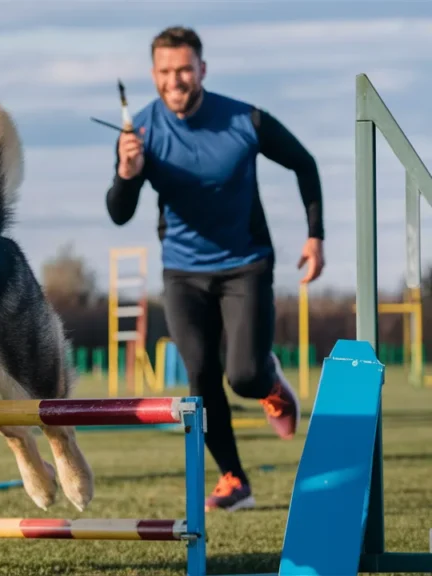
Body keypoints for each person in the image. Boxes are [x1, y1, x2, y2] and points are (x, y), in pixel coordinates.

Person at [104, 26, 325, 512]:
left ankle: (269, 382)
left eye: (184, 69)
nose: (175, 80)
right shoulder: (139, 131)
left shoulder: (244, 119)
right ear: (153, 75)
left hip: (246, 264)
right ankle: (233, 478)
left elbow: (304, 163)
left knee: (242, 375)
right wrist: (126, 173)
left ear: (202, 69)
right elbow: (119, 213)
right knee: (201, 378)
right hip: (182, 273)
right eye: (165, 72)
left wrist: (315, 236)